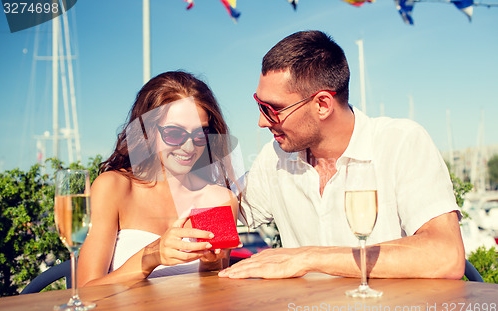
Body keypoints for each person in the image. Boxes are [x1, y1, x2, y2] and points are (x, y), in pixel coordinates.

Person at [218, 30, 465, 280]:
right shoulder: (275, 157)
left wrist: (309, 258)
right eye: (259, 105)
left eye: (272, 109)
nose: (261, 121)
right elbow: (226, 208)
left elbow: (446, 255)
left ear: (322, 105)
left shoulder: (401, 142)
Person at [78, 71, 239, 287]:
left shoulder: (219, 199)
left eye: (200, 134)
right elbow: (86, 290)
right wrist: (152, 256)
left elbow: (218, 293)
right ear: (148, 130)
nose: (189, 147)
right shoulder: (114, 187)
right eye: (175, 134)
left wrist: (210, 263)